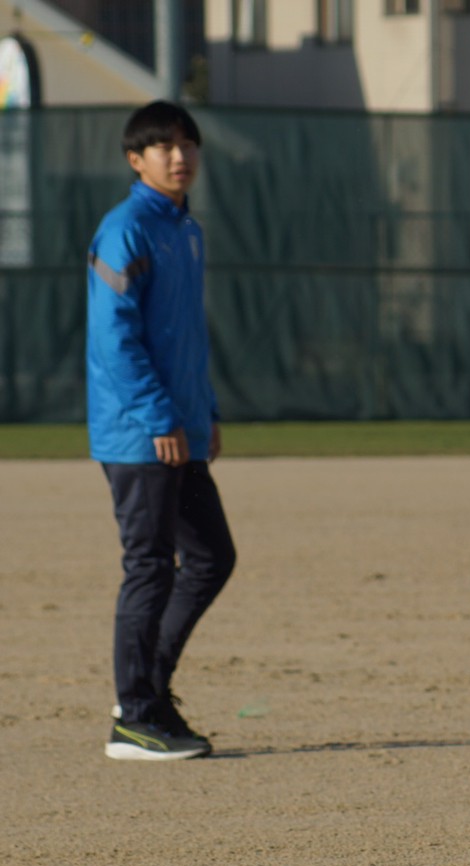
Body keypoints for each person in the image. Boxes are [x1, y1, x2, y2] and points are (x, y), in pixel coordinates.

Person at [88, 101, 235, 761]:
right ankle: (134, 716)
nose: (180, 156)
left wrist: (206, 415)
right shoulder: (126, 230)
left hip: (179, 427)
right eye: (164, 146)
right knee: (149, 566)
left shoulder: (186, 229)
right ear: (135, 159)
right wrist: (158, 416)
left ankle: (148, 693)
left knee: (210, 558)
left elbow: (184, 338)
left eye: (188, 144)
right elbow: (114, 339)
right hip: (140, 433)